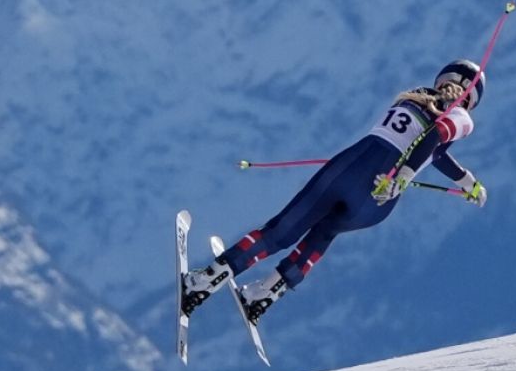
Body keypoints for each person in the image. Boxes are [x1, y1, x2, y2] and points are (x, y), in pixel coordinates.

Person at [182, 59, 489, 322]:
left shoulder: (417, 96)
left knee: (281, 232)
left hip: (354, 166)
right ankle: (265, 293)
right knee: (325, 233)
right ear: (471, 99)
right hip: (380, 200)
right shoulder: (461, 118)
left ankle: (205, 282)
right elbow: (434, 145)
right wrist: (464, 182)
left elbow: (431, 139)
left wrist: (439, 176)